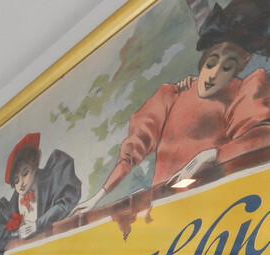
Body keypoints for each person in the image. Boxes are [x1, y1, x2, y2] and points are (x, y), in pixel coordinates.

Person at [74, 0, 270, 213]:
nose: (214, 74)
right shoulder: (173, 94)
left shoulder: (243, 94)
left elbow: (258, 138)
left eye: (227, 68)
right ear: (203, 62)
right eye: (211, 64)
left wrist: (211, 154)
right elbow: (134, 147)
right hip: (161, 211)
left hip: (207, 211)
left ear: (236, 71)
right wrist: (98, 196)